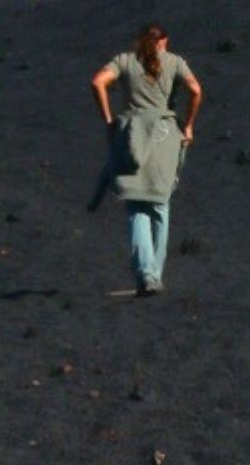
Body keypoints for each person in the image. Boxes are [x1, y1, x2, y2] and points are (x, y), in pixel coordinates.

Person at [89, 24, 203, 297]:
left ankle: (146, 275)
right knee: (160, 205)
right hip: (166, 136)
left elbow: (97, 82)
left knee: (136, 206)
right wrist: (188, 125)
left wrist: (108, 120)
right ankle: (154, 275)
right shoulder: (175, 62)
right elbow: (196, 90)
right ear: (165, 41)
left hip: (133, 136)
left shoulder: (126, 60)